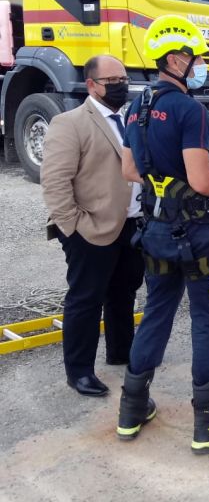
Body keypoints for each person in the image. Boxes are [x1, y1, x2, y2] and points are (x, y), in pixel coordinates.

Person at [116, 15, 209, 455]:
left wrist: (163, 187)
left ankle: (132, 409)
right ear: (176, 59)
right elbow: (201, 179)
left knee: (157, 311)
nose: (198, 67)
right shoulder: (187, 108)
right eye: (194, 59)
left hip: (155, 233)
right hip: (198, 238)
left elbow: (129, 170)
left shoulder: (134, 106)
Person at [41, 54, 144, 397]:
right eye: (112, 81)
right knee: (86, 299)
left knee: (123, 292)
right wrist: (73, 227)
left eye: (123, 79)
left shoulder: (129, 119)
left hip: (130, 225)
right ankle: (80, 371)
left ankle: (121, 352)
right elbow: (55, 182)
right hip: (89, 229)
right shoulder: (70, 123)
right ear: (91, 85)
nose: (120, 86)